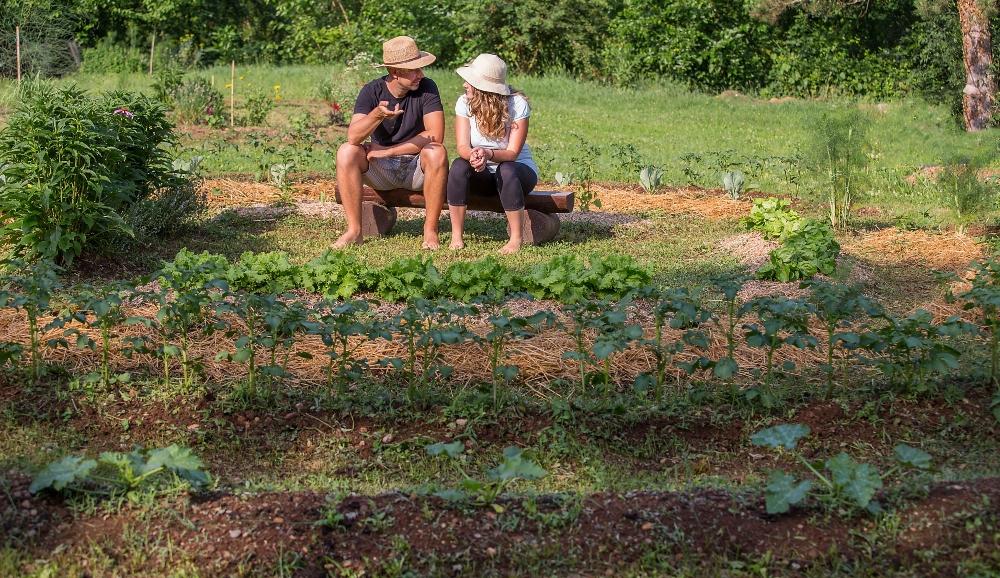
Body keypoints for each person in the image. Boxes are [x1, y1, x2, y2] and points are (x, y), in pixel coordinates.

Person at [333, 36, 448, 250]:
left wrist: (387, 151)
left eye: (419, 68)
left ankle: (430, 231)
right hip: (382, 173)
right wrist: (377, 115)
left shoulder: (428, 87)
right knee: (346, 151)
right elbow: (353, 137)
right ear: (395, 72)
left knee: (437, 151)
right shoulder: (371, 91)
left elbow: (435, 134)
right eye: (414, 70)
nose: (420, 74)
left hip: (416, 168)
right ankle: (354, 231)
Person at [446, 53, 539, 254]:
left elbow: (512, 153)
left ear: (483, 89)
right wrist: (472, 155)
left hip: (515, 174)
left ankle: (516, 238)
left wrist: (488, 153)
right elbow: (462, 146)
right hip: (483, 173)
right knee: (458, 165)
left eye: (470, 82)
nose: (465, 85)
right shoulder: (464, 103)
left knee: (506, 169)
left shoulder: (517, 105)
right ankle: (456, 236)